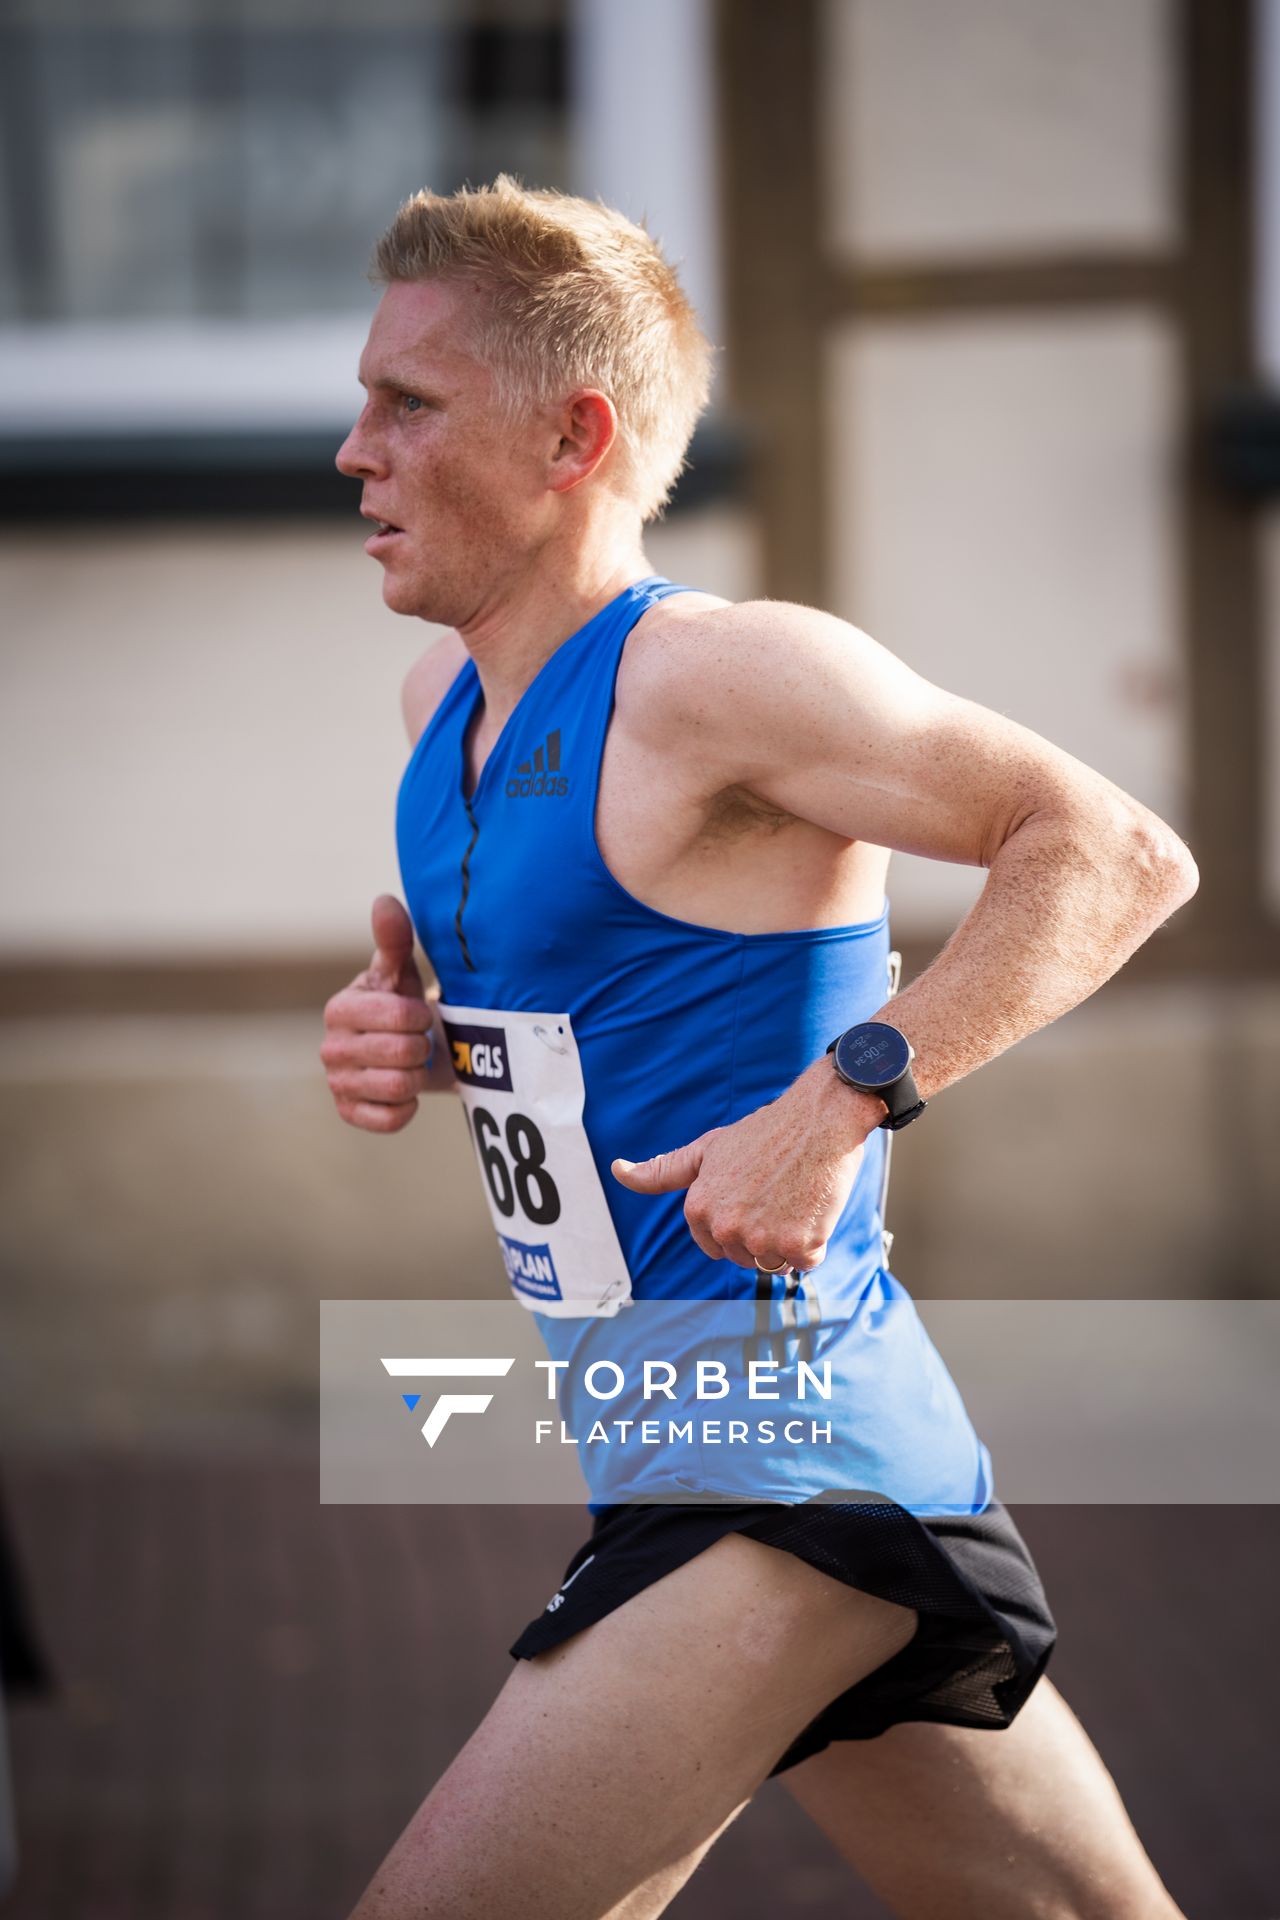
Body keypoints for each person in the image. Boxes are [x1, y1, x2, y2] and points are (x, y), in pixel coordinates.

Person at [322, 175, 1195, 1920]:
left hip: (776, 1461)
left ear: (574, 435)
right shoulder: (443, 711)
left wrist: (849, 1097)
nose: (356, 453)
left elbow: (1113, 852)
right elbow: (610, 1005)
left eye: (407, 406)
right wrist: (411, 1039)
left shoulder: (724, 676)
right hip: (692, 1439)